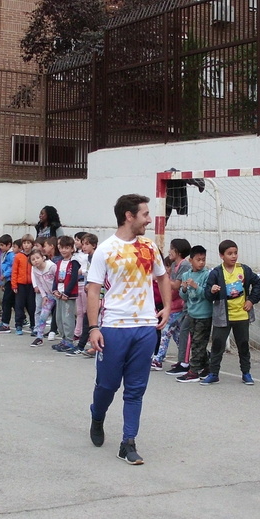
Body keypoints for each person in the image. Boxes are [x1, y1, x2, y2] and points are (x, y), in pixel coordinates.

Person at [87, 194, 171, 465]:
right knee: (108, 386)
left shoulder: (149, 246)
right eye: (145, 214)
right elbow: (93, 290)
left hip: (145, 327)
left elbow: (162, 276)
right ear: (129, 216)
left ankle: (128, 442)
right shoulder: (106, 249)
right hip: (114, 328)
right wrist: (93, 328)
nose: (149, 219)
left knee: (135, 389)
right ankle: (97, 416)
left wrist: (167, 307)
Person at [202, 239, 260, 385]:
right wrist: (212, 291)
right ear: (221, 255)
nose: (234, 256)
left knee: (243, 345)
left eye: (235, 253)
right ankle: (214, 373)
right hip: (223, 316)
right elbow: (207, 294)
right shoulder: (216, 273)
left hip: (241, 314)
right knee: (217, 345)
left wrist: (251, 300)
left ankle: (246, 373)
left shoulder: (244, 270)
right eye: (230, 253)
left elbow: (257, 284)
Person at [151, 238, 191, 372]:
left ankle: (158, 360)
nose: (169, 251)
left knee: (165, 331)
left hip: (180, 305)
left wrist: (161, 278)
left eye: (171, 248)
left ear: (177, 251)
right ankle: (186, 359)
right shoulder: (175, 265)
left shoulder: (184, 265)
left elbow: (176, 285)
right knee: (178, 335)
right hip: (173, 304)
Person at [176, 245, 213, 383]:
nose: (201, 263)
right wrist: (184, 289)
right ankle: (207, 365)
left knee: (198, 342)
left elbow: (207, 294)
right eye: (198, 260)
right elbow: (184, 297)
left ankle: (194, 371)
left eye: (203, 260)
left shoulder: (207, 274)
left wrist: (196, 287)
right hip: (192, 313)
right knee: (196, 343)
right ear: (191, 260)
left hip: (204, 315)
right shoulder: (186, 275)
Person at [51, 235, 81, 352]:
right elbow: (56, 278)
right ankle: (63, 339)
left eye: (67, 248)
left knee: (67, 318)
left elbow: (74, 279)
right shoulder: (59, 262)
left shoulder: (74, 262)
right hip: (59, 293)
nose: (64, 250)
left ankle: (69, 340)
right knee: (59, 318)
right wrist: (55, 290)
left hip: (68, 295)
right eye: (62, 248)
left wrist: (67, 293)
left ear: (72, 249)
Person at [29, 248, 56, 346]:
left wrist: (58, 291)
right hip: (49, 295)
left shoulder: (51, 267)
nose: (36, 260)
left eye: (37, 258)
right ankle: (39, 337)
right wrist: (44, 295)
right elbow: (39, 284)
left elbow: (59, 279)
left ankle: (68, 339)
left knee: (62, 317)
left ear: (43, 257)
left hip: (59, 294)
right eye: (33, 259)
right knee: (43, 316)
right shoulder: (35, 270)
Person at [12, 234, 36, 336]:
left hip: (31, 285)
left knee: (32, 306)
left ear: (32, 244)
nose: (26, 245)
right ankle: (18, 324)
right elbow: (14, 271)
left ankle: (33, 325)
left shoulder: (34, 256)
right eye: (24, 243)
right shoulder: (18, 256)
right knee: (19, 305)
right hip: (20, 284)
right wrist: (14, 285)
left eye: (28, 243)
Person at [0, 234, 16, 333]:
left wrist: (5, 275)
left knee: (6, 302)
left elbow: (12, 267)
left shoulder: (11, 255)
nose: (1, 247)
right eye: (0, 245)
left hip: (11, 280)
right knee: (10, 302)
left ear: (9, 245)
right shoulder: (5, 254)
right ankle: (7, 321)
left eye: (2, 245)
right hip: (6, 281)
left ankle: (6, 324)